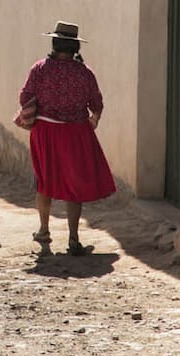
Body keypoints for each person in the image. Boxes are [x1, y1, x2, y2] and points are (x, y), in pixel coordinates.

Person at [18, 19, 116, 254]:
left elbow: (25, 97)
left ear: (54, 42)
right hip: (76, 134)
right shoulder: (84, 73)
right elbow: (97, 103)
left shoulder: (40, 69)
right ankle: (73, 238)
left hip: (46, 132)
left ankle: (44, 230)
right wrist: (93, 119)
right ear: (76, 48)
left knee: (45, 180)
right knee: (75, 184)